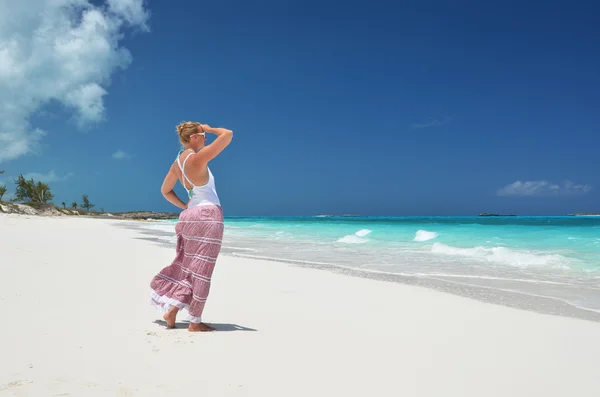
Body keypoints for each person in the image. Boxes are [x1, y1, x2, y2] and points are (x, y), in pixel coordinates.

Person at [150, 121, 233, 332]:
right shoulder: (197, 157)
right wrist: (213, 128)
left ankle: (173, 310)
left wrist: (185, 205)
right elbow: (228, 134)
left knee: (187, 267)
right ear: (194, 137)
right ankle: (195, 321)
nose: (206, 137)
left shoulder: (177, 164)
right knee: (202, 270)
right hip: (208, 215)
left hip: (189, 217)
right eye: (203, 134)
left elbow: (165, 190)